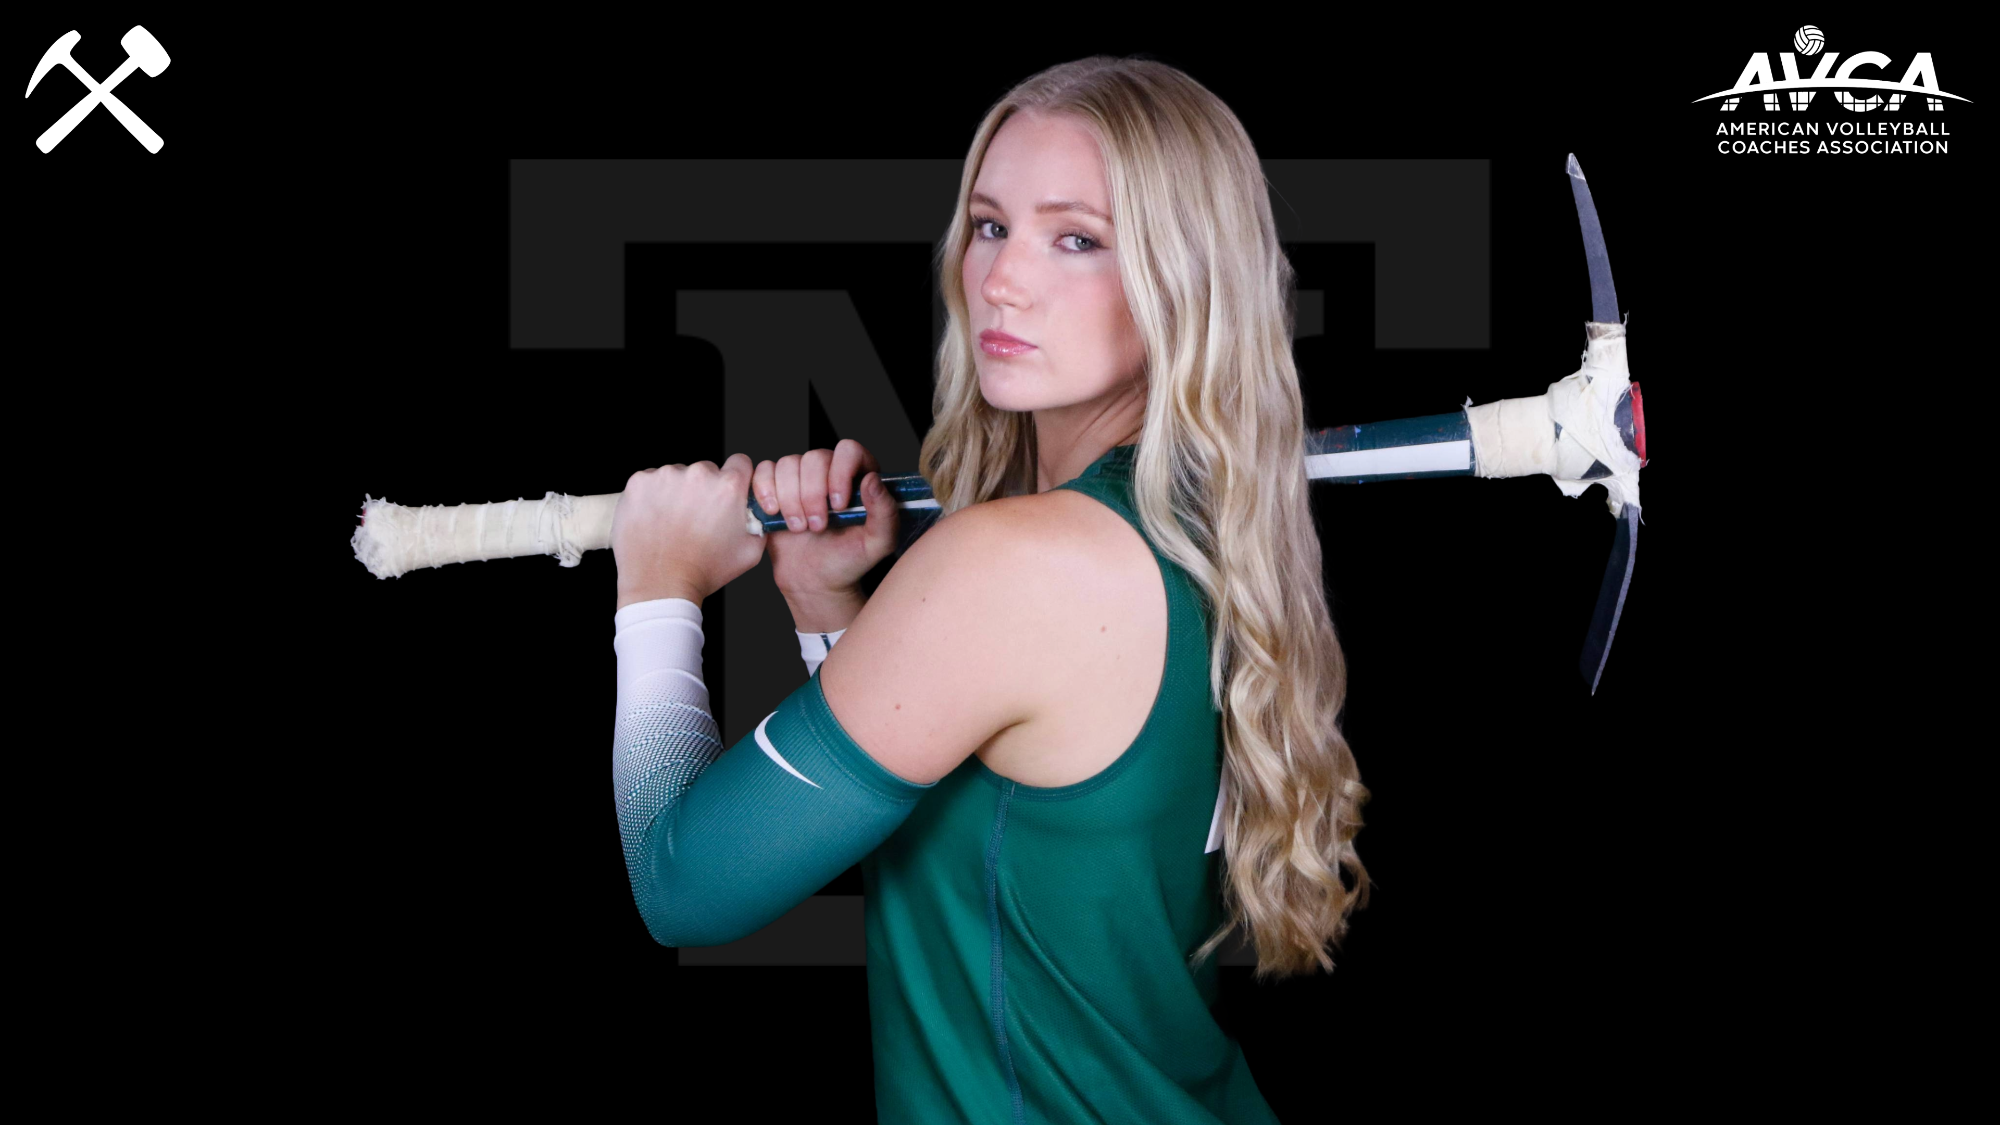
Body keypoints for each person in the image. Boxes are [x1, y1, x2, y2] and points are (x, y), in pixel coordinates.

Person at [607, 55, 1369, 1124]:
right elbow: (975, 828)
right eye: (988, 225)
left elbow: (681, 883)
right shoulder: (1205, 534)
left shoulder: (1018, 562)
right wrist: (826, 605)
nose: (1002, 279)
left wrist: (658, 590)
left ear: (1185, 275)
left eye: (1077, 238)